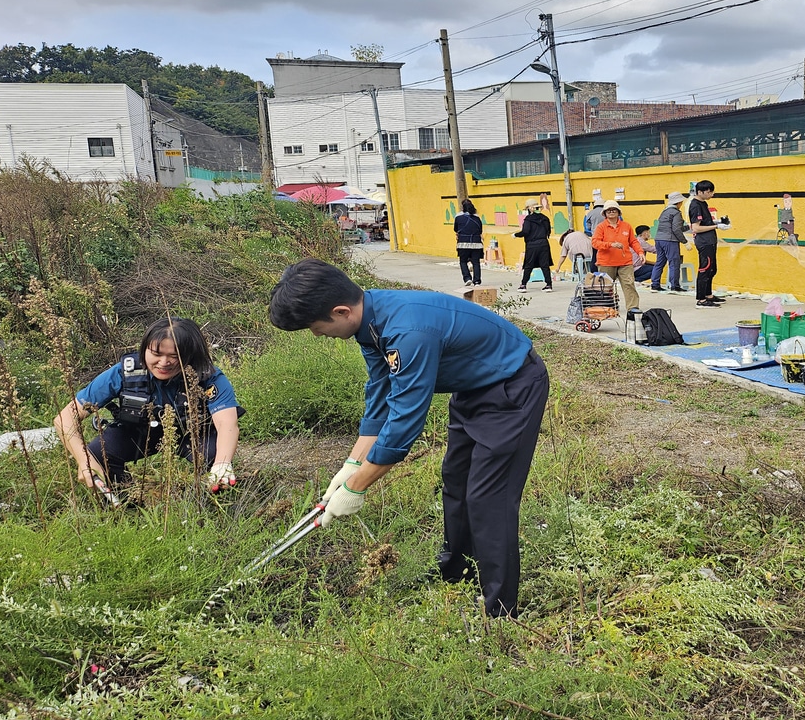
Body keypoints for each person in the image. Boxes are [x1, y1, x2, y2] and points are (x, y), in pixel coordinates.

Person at [269, 258, 549, 619]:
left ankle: (499, 610)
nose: (317, 335)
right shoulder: (370, 321)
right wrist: (352, 464)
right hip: (471, 389)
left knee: (487, 499)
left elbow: (404, 422)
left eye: (316, 327)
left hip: (512, 387)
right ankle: (457, 575)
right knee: (455, 483)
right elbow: (380, 393)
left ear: (340, 311)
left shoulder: (407, 330)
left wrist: (356, 488)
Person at [53, 317, 240, 497]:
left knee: (215, 453)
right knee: (98, 452)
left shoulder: (208, 376)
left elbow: (227, 423)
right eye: (156, 354)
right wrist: (83, 459)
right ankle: (128, 500)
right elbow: (65, 418)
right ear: (144, 350)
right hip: (139, 433)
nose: (163, 363)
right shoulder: (124, 372)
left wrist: (222, 463)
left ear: (191, 356)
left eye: (174, 356)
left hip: (190, 434)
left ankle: (213, 497)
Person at [590, 199, 644, 318]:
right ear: (604, 213)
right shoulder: (601, 227)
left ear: (619, 212)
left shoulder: (626, 226)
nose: (611, 212)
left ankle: (633, 308)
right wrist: (610, 244)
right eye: (609, 210)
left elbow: (633, 241)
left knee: (629, 284)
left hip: (625, 262)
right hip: (606, 263)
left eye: (614, 210)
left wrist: (640, 252)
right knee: (605, 287)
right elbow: (595, 243)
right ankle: (606, 309)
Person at [688, 179, 730, 308]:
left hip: (710, 241)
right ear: (700, 192)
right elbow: (695, 228)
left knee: (712, 269)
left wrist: (718, 222)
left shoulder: (703, 203)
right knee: (705, 269)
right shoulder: (695, 205)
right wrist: (716, 227)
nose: (711, 194)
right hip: (704, 242)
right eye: (709, 192)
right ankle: (701, 299)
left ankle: (708, 295)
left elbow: (705, 222)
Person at [651, 190, 688, 293]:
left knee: (659, 262)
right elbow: (676, 229)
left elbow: (671, 227)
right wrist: (684, 241)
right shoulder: (676, 213)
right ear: (679, 202)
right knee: (674, 263)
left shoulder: (664, 212)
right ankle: (675, 286)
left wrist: (688, 227)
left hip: (659, 239)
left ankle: (655, 284)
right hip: (670, 240)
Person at [514, 200, 554, 290]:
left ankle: (523, 285)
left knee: (529, 265)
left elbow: (525, 231)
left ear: (530, 209)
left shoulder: (528, 219)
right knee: (545, 265)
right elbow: (548, 231)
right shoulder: (545, 218)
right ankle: (549, 285)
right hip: (544, 243)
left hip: (532, 245)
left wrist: (515, 235)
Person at [454, 196, 484, 288]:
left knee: (463, 261)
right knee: (476, 262)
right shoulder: (477, 218)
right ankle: (477, 281)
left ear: (463, 207)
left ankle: (467, 278)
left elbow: (455, 229)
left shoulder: (458, 217)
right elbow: (480, 231)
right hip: (476, 244)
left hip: (463, 243)